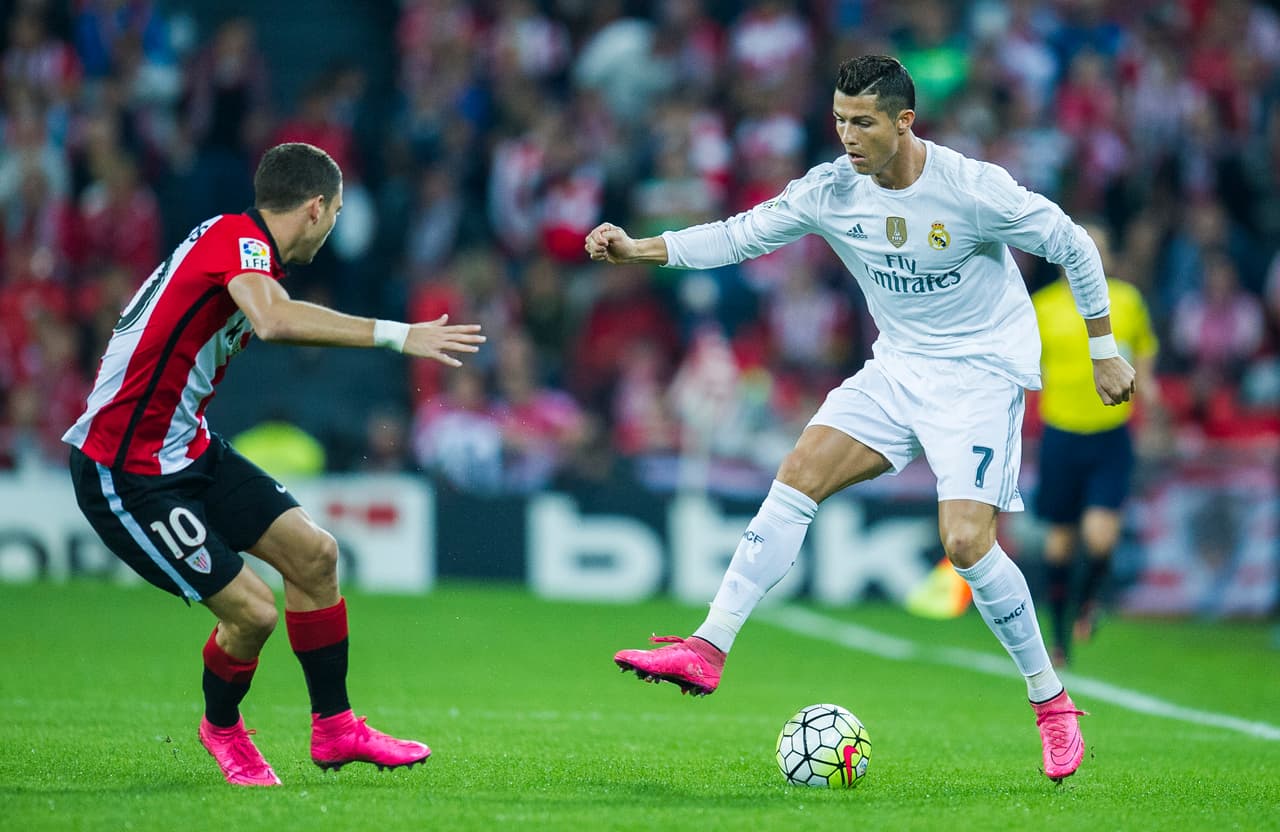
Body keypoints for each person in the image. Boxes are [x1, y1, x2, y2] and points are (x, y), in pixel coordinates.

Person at [585, 55, 1136, 783]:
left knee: (967, 543)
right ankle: (707, 647)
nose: (848, 135)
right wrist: (640, 249)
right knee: (800, 471)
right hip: (899, 366)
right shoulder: (831, 190)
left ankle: (1052, 704)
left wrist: (1103, 349)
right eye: (840, 120)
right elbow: (740, 234)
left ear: (905, 122)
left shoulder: (972, 190)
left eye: (864, 122)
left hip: (978, 376)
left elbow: (1070, 241)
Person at [63, 142, 485, 787]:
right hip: (125, 470)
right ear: (315, 208)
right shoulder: (239, 242)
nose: (334, 227)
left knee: (315, 556)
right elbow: (273, 322)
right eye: (337, 214)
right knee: (253, 613)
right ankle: (222, 728)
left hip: (188, 448)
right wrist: (401, 334)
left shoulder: (238, 245)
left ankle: (336, 729)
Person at [1032, 222, 1159, 668]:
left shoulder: (1125, 300)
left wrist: (1149, 387)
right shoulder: (1042, 306)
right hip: (1061, 433)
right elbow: (1027, 363)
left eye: (1100, 248)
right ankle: (1061, 637)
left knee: (1101, 538)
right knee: (1060, 544)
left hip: (1110, 434)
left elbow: (1143, 348)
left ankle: (1089, 602)